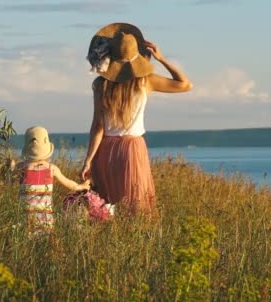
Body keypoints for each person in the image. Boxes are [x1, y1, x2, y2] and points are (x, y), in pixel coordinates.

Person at [80, 23, 192, 215]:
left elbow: (97, 127)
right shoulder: (145, 80)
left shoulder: (101, 85)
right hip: (132, 149)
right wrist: (162, 59)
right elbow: (185, 85)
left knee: (107, 209)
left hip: (105, 150)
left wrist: (88, 160)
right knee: (136, 208)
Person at [18, 126, 90, 235]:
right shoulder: (51, 168)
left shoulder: (21, 168)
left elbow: (7, 180)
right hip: (45, 217)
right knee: (44, 243)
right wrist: (83, 186)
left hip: (25, 216)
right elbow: (70, 185)